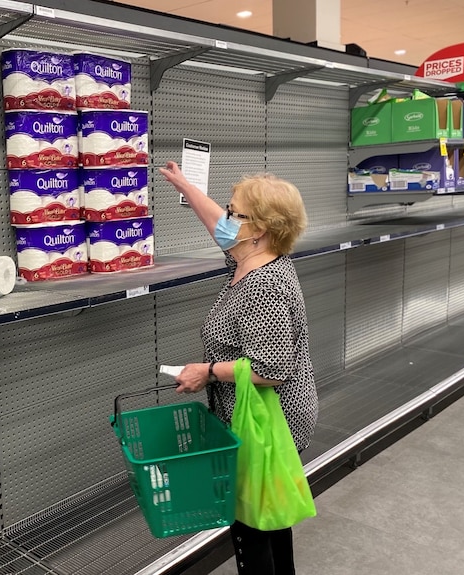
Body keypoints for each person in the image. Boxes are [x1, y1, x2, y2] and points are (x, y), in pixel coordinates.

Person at [159, 161, 318, 575]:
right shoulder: (252, 259)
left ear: (259, 228)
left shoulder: (263, 283)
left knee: (250, 527)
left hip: (268, 423)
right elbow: (219, 226)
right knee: (271, 519)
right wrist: (185, 186)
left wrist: (206, 371)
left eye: (235, 212)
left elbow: (271, 368)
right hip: (265, 418)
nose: (226, 219)